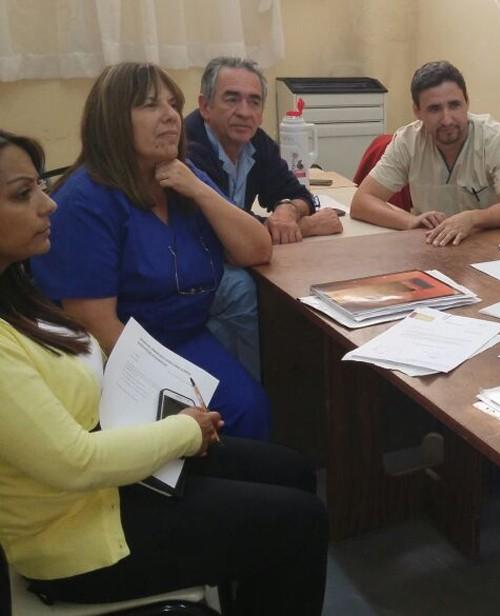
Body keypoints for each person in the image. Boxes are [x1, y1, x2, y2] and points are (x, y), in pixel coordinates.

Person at [0, 130, 328, 615]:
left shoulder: (18, 292)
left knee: (292, 471)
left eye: (40, 188)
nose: (49, 204)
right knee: (301, 522)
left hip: (112, 477)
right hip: (79, 534)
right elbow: (76, 463)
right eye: (22, 194)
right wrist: (183, 431)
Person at [30, 63, 272, 440]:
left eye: (173, 104)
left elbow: (256, 249)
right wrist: (171, 388)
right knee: (216, 427)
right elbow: (97, 326)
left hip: (184, 336)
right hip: (120, 354)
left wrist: (200, 190)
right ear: (112, 119)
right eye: (149, 105)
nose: (171, 116)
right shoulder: (85, 202)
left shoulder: (180, 175)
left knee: (250, 407)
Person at [186, 56, 343, 381]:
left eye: (254, 101)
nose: (244, 111)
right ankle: (257, 391)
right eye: (232, 99)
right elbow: (227, 237)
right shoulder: (188, 148)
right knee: (255, 290)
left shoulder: (255, 142)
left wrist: (288, 210)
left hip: (240, 254)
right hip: (194, 263)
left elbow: (297, 192)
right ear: (205, 106)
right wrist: (307, 226)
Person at [350, 60, 500, 246]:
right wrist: (410, 221)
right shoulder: (408, 141)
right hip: (446, 248)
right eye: (434, 109)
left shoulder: (497, 139)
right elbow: (361, 201)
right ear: (417, 111)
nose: (447, 120)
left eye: (454, 105)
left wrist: (473, 218)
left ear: (467, 102)